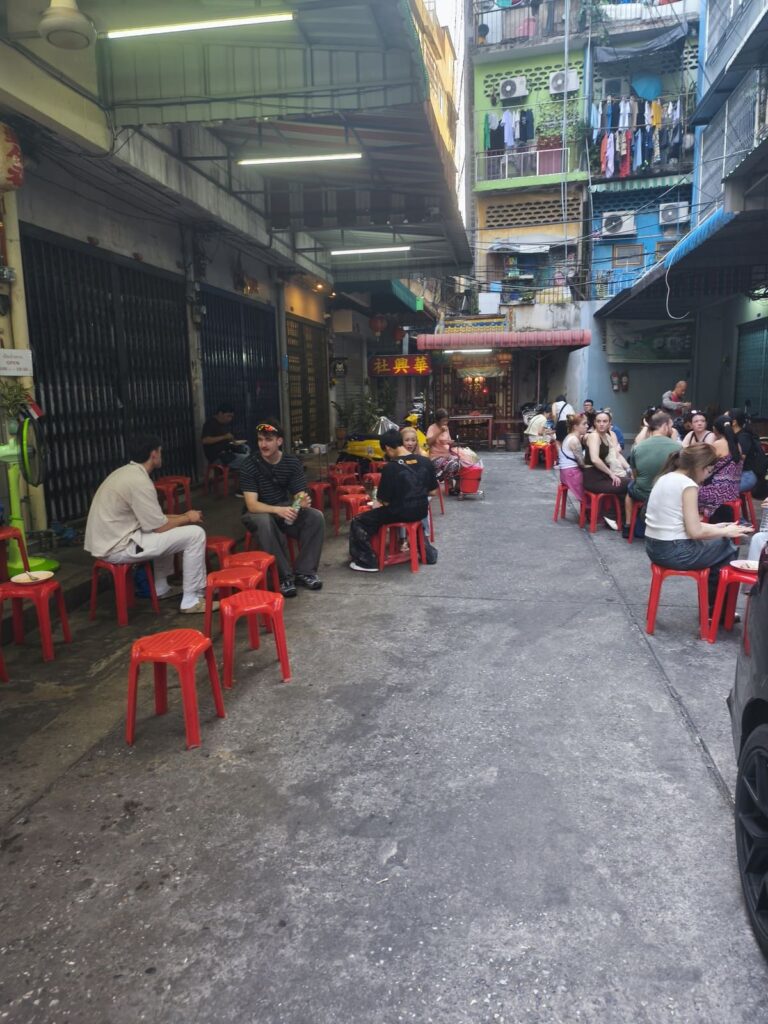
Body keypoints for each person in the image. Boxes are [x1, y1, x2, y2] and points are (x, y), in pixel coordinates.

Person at [84, 434, 210, 614]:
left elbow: (156, 520)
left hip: (114, 539)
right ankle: (192, 599)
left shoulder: (126, 473)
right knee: (195, 534)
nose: (161, 455)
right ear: (154, 454)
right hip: (117, 547)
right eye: (160, 452)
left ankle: (161, 588)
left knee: (171, 530)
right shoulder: (140, 482)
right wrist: (188, 518)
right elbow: (158, 526)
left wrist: (184, 516)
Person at [644, 444, 752, 613]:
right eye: (709, 471)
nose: (707, 476)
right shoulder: (688, 485)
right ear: (700, 467)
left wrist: (717, 527)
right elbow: (695, 532)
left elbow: (682, 523)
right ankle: (718, 611)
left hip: (653, 547)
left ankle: (714, 607)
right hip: (674, 551)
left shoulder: (666, 477)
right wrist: (725, 532)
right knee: (727, 547)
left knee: (720, 542)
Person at [240, 419, 325, 597]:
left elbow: (299, 494)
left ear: (279, 441)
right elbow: (252, 505)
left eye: (269, 439)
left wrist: (299, 504)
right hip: (258, 513)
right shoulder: (249, 466)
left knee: (315, 517)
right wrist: (278, 510)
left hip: (283, 509)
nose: (263, 444)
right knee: (265, 521)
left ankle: (304, 571)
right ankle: (283, 576)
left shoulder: (291, 463)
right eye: (260, 439)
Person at [349, 429, 437, 572]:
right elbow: (433, 491)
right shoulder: (425, 461)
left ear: (388, 448)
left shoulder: (391, 467)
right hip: (421, 511)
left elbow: (384, 501)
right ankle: (424, 549)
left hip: (400, 513)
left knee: (359, 521)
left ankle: (367, 562)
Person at [623, 410, 680, 539]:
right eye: (670, 426)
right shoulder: (677, 447)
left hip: (642, 492)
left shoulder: (638, 447)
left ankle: (627, 526)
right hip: (666, 493)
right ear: (665, 426)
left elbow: (635, 475)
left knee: (630, 490)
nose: (671, 429)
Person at [697, 414, 743, 522]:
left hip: (717, 492)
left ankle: (696, 525)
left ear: (715, 429)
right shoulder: (737, 445)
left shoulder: (717, 444)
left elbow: (704, 464)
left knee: (689, 492)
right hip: (733, 491)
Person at [582, 410, 630, 516]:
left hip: (602, 475)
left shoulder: (607, 436)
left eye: (604, 421)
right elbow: (594, 459)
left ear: (609, 423)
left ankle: (617, 516)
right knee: (630, 484)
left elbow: (616, 455)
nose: (601, 424)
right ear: (594, 423)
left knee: (628, 482)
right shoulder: (594, 436)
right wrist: (611, 474)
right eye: (598, 421)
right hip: (593, 478)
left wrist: (628, 468)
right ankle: (611, 516)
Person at [201, 403, 250, 471]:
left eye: (231, 417)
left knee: (246, 448)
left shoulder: (223, 424)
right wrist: (224, 437)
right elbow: (205, 440)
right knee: (248, 460)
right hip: (218, 456)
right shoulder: (210, 423)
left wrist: (233, 441)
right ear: (220, 413)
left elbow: (226, 439)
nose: (230, 419)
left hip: (227, 453)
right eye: (228, 416)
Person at [731, 410, 768, 495]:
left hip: (747, 476)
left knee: (721, 491)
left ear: (734, 422)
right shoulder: (734, 435)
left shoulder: (743, 437)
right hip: (738, 476)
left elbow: (740, 459)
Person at [426, 408, 460, 494]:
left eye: (447, 421)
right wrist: (439, 431)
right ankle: (450, 487)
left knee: (461, 461)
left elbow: (447, 441)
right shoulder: (432, 428)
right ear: (437, 420)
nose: (445, 423)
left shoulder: (446, 428)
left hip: (446, 454)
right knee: (452, 464)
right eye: (443, 421)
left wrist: (450, 443)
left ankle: (457, 487)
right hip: (436, 457)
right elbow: (428, 442)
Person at [557, 413, 587, 501]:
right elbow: (582, 463)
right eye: (584, 424)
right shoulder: (574, 440)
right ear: (575, 426)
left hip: (565, 473)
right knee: (594, 483)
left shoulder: (570, 436)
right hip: (571, 474)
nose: (587, 426)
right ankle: (590, 510)